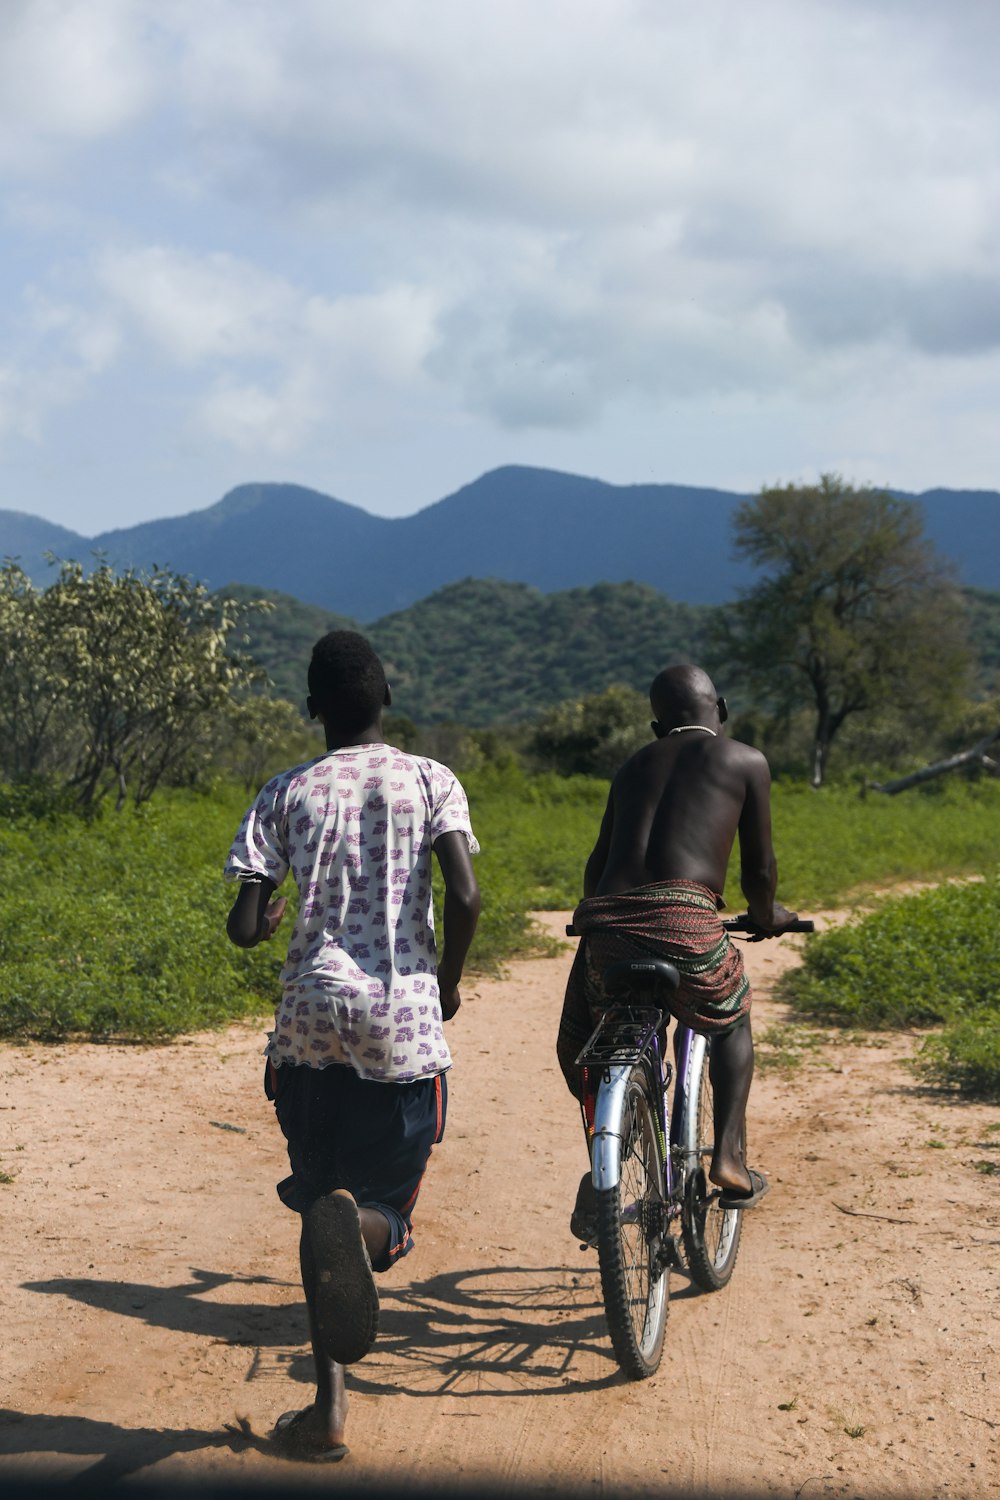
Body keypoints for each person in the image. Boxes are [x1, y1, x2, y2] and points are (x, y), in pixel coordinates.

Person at [224, 631, 480, 1462]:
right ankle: (367, 1231)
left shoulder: (284, 791)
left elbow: (245, 926)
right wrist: (445, 979)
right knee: (378, 1209)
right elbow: (468, 897)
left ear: (312, 709)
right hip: (397, 1020)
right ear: (389, 698)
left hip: (308, 1020)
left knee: (319, 1195)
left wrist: (267, 918)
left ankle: (328, 1415)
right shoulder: (429, 779)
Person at [557, 664, 796, 1236]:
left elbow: (596, 866)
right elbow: (759, 871)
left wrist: (613, 922)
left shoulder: (633, 764)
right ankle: (731, 1157)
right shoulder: (744, 759)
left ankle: (613, 1150)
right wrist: (768, 917)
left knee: (586, 1038)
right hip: (685, 919)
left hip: (608, 926)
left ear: (656, 724)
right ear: (723, 708)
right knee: (731, 1019)